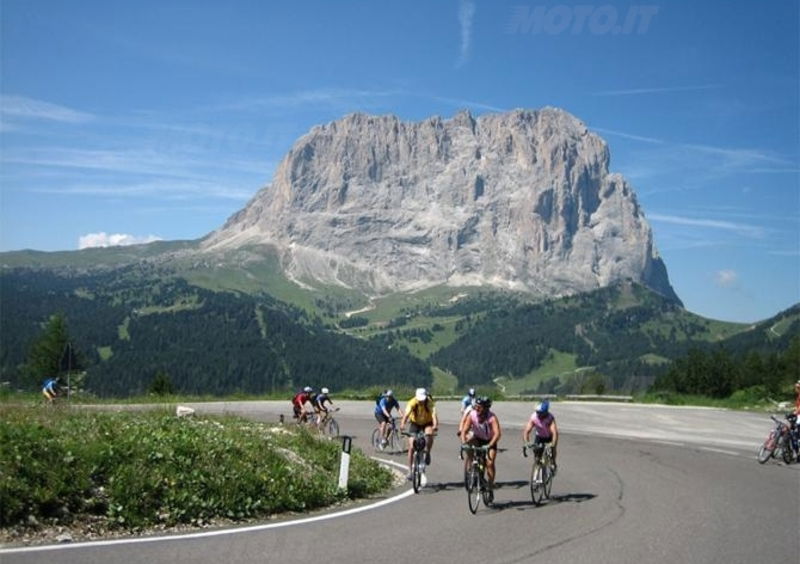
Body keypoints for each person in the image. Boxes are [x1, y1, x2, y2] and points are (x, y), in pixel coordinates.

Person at [459, 396, 501, 498]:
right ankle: (473, 465)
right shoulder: (472, 415)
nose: (477, 409)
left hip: (490, 441)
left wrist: (490, 445)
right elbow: (464, 431)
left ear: (486, 408)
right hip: (478, 438)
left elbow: (497, 434)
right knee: (469, 445)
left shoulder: (492, 417)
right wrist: (464, 442)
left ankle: (490, 487)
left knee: (490, 463)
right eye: (476, 406)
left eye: (479, 407)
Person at [400, 388, 438, 478]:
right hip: (415, 423)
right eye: (419, 399)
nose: (421, 401)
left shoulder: (429, 403)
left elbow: (434, 415)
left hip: (427, 423)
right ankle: (410, 470)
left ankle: (428, 452)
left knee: (429, 434)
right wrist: (402, 424)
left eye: (423, 399)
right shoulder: (412, 402)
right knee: (411, 447)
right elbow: (406, 415)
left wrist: (435, 425)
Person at [523, 399, 559, 471]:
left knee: (552, 449)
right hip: (539, 437)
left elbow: (554, 432)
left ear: (545, 412)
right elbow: (526, 431)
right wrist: (526, 442)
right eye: (537, 412)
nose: (538, 414)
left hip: (549, 437)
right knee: (537, 455)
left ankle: (553, 462)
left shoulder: (550, 417)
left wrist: (553, 444)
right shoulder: (534, 417)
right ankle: (537, 470)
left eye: (540, 412)